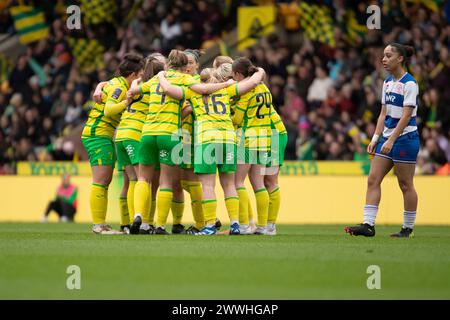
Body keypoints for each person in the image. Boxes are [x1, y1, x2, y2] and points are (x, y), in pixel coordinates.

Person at [128, 50, 235, 235]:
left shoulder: (156, 79)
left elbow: (134, 90)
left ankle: (142, 219)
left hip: (151, 133)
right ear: (186, 66)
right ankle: (163, 225)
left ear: (169, 63)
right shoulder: (187, 80)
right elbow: (203, 90)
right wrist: (227, 84)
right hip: (173, 134)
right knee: (170, 181)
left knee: (145, 178)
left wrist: (131, 94)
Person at [156, 64, 266, 235]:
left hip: (207, 140)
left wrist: (161, 75)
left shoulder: (192, 92)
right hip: (228, 139)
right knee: (229, 184)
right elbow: (251, 83)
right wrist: (260, 71)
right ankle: (236, 224)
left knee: (207, 185)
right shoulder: (226, 91)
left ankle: (209, 225)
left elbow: (169, 89)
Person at [345, 43, 419, 238]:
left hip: (405, 139)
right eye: (383, 56)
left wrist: (392, 139)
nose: (383, 59)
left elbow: (406, 116)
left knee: (405, 184)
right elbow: (383, 113)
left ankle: (407, 228)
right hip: (386, 138)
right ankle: (368, 225)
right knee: (373, 179)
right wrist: (376, 138)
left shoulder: (410, 84)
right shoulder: (387, 82)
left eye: (388, 56)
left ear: (400, 59)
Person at [81, 53, 144, 234]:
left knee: (105, 180)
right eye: (140, 74)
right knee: (101, 180)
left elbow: (104, 85)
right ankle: (98, 225)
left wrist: (99, 87)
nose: (141, 78)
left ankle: (101, 223)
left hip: (103, 134)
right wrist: (127, 101)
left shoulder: (116, 83)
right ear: (132, 75)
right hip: (98, 134)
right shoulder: (119, 87)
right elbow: (109, 110)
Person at [232, 58, 273, 235]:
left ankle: (243, 225)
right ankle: (263, 226)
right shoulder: (264, 88)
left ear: (238, 74)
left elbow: (237, 119)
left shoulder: (246, 91)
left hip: (248, 138)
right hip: (264, 138)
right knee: (258, 183)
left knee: (237, 182)